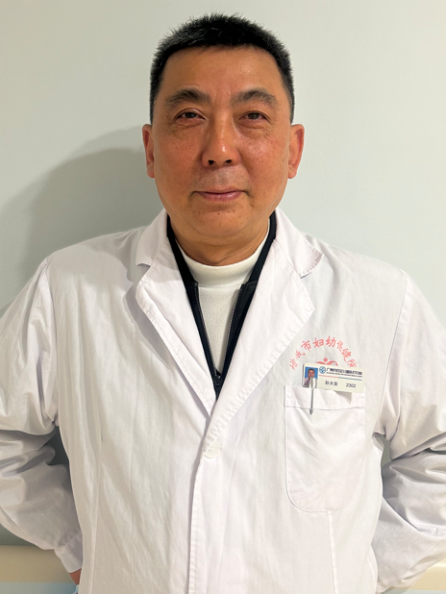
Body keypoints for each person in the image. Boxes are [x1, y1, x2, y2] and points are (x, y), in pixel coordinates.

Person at [0, 13, 444, 595]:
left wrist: (356, 570)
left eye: (252, 116)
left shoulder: (379, 300)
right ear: (150, 149)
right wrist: (79, 544)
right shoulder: (67, 289)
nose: (219, 150)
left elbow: (438, 454)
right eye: (189, 116)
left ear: (293, 149)